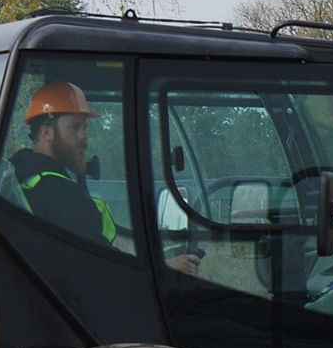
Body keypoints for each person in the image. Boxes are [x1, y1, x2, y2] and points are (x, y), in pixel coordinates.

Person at [10, 81, 199, 274]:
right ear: (46, 132)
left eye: (85, 127)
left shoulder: (28, 175)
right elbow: (104, 266)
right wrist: (164, 267)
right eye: (75, 128)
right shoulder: (58, 193)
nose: (84, 136)